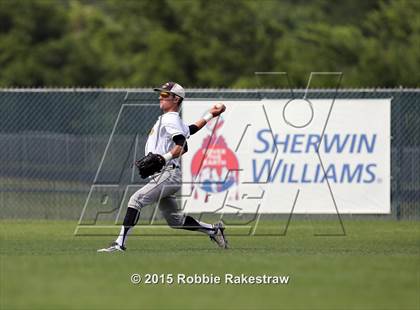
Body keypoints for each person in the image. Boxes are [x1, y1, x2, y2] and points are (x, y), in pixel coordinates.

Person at [98, 82, 227, 252]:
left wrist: (162, 158)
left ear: (176, 99)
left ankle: (119, 244)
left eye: (165, 95)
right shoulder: (172, 119)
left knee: (135, 200)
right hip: (166, 174)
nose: (160, 97)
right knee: (176, 221)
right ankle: (214, 230)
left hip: (168, 174)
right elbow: (190, 130)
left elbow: (181, 145)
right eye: (161, 93)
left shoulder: (170, 118)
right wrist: (211, 114)